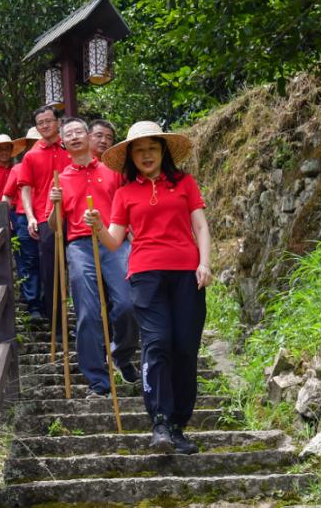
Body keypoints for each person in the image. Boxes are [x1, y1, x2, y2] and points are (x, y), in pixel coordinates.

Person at [84, 121, 212, 455]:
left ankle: (178, 426)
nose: (146, 155)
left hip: (187, 273)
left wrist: (205, 263)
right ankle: (159, 423)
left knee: (185, 349)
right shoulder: (125, 193)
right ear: (131, 157)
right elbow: (114, 242)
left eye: (151, 149)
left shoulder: (184, 182)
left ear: (163, 151)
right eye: (139, 151)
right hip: (145, 275)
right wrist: (98, 226)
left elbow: (200, 224)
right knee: (157, 344)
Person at [49, 117, 137, 399]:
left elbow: (127, 208)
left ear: (89, 136)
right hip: (79, 246)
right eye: (68, 134)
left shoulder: (112, 171)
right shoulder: (60, 179)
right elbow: (55, 226)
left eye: (79, 132)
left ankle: (121, 355)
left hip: (114, 242)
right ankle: (98, 381)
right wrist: (54, 205)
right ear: (63, 142)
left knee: (127, 304)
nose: (74, 137)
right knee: (87, 312)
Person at [16, 105, 71, 321]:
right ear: (36, 127)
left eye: (49, 120)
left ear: (58, 122)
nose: (45, 125)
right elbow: (25, 188)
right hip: (45, 217)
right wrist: (30, 217)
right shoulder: (31, 156)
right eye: (40, 123)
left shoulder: (70, 148)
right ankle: (55, 321)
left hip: (75, 216)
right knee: (51, 270)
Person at [0, 128, 42, 317]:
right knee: (28, 260)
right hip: (23, 218)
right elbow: (6, 198)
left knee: (46, 261)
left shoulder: (52, 164)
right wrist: (6, 219)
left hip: (48, 216)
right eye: (31, 142)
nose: (35, 145)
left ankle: (48, 302)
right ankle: (33, 304)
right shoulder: (18, 169)